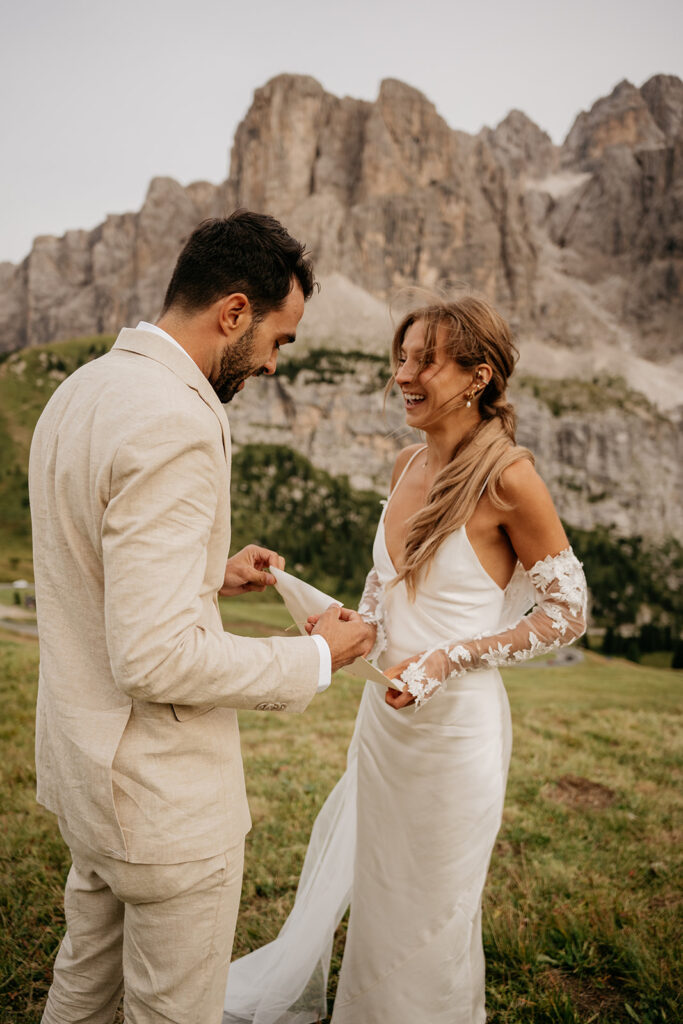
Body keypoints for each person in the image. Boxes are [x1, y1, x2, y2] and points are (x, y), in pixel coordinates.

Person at [29, 211, 371, 1024]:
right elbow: (152, 658)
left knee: (83, 984)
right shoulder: (178, 419)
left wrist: (204, 575)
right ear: (233, 313)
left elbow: (91, 559)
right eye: (277, 341)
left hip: (85, 772)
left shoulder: (84, 388)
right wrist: (314, 657)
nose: (273, 365)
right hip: (160, 799)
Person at [222, 295, 587, 1024]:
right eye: (401, 358)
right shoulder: (405, 463)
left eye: (425, 360)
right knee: (381, 887)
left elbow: (567, 612)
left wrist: (449, 658)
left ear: (476, 377)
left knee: (432, 913)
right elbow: (385, 588)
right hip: (384, 719)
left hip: (455, 735)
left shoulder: (509, 479)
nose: (403, 375)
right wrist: (346, 621)